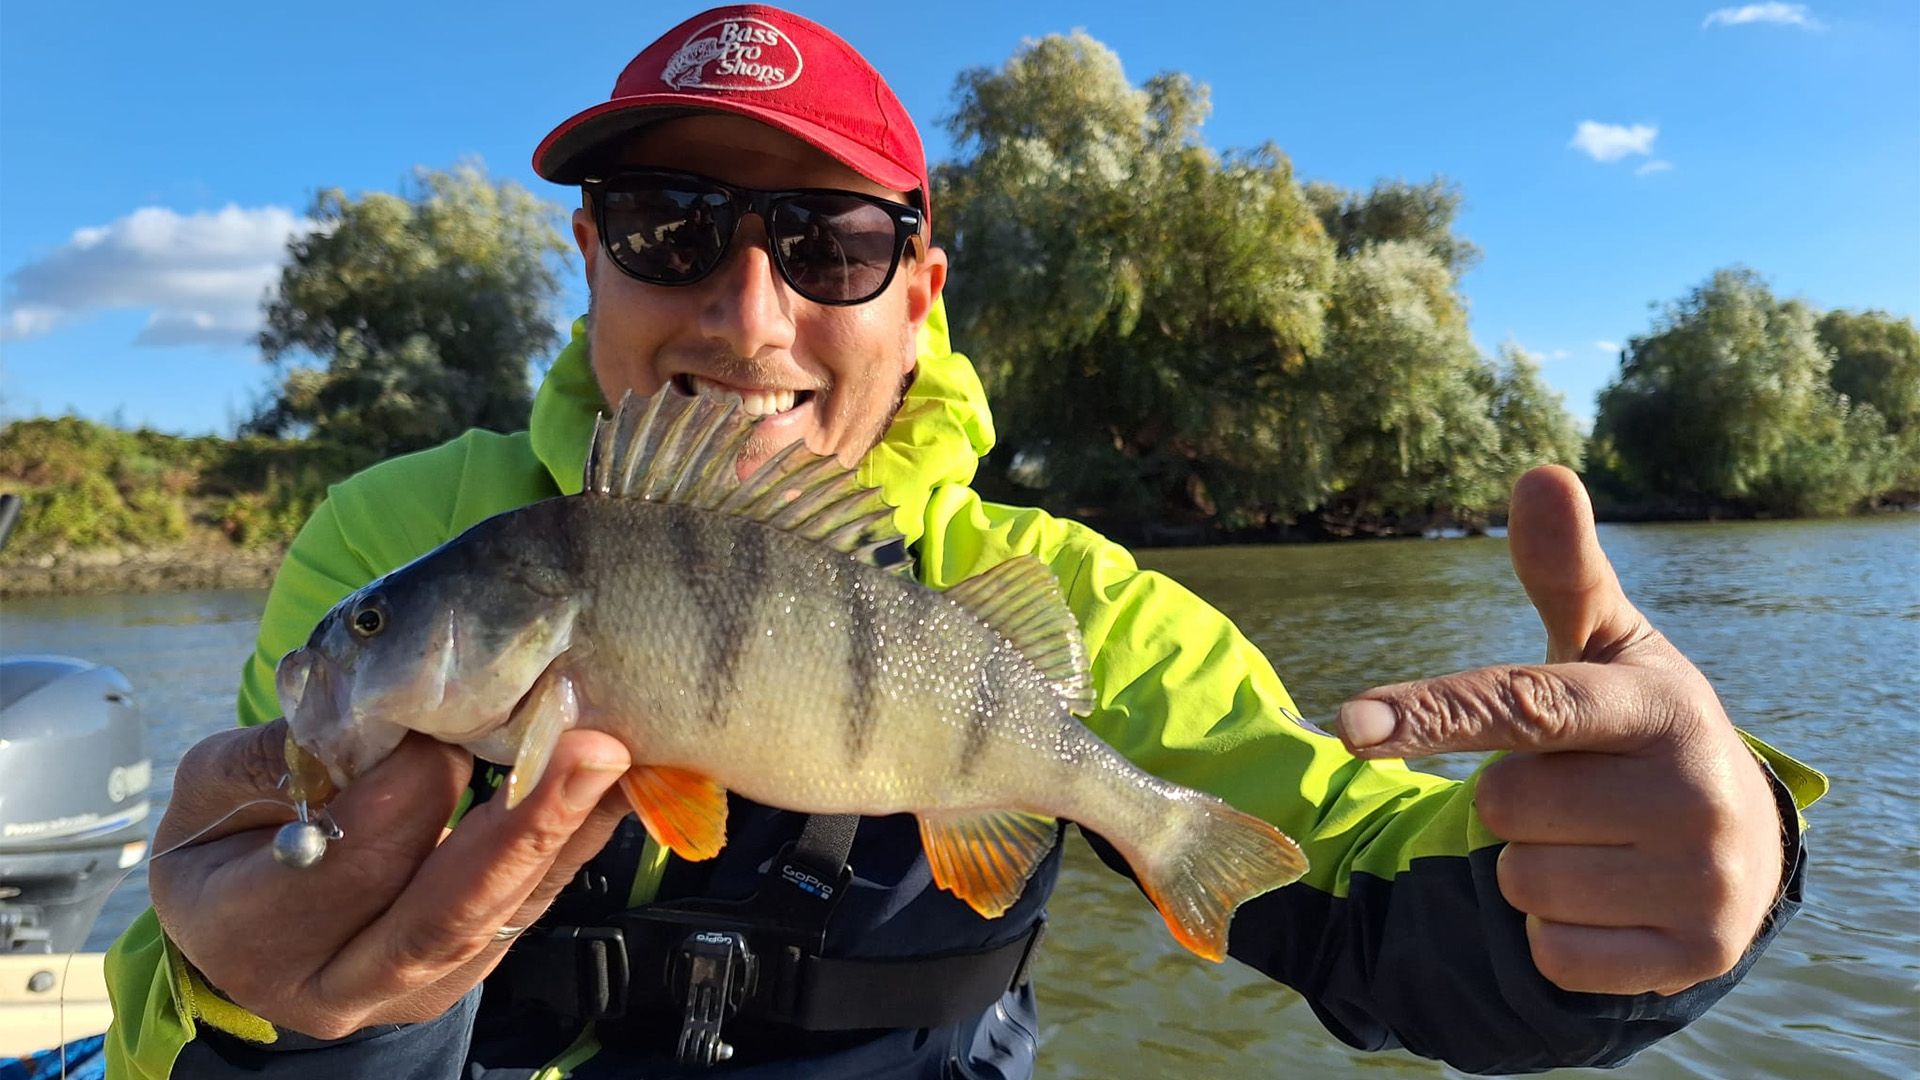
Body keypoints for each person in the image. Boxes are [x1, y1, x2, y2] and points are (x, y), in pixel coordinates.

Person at [103, 6, 1825, 1077]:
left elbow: (1386, 863)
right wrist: (275, 1018)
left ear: (919, 298)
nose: (748, 303)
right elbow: (232, 924)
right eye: (670, 225)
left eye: (833, 242)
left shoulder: (1066, 600)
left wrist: (1670, 886)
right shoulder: (400, 536)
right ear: (588, 257)